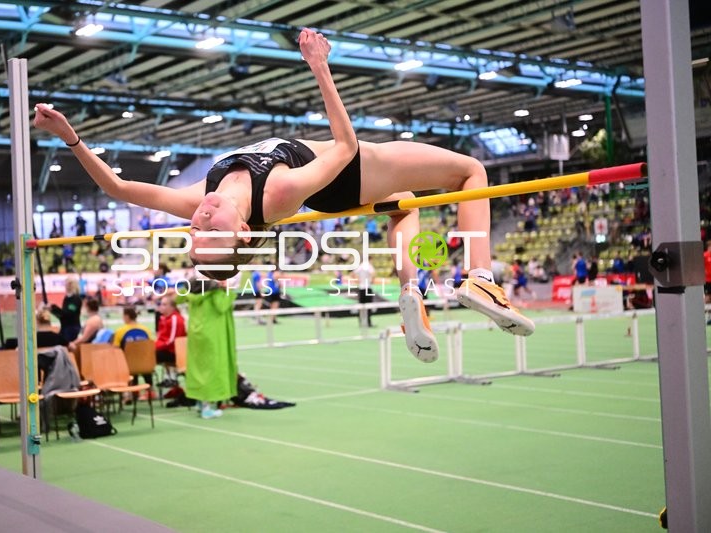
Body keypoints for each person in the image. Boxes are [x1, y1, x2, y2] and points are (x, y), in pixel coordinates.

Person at [32, 28, 534, 364]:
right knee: (471, 170)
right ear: (244, 232)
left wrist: (69, 136)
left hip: (332, 182)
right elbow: (344, 146)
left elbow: (118, 188)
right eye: (216, 231)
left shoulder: (203, 199)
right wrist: (319, 66)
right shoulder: (276, 190)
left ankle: (411, 290)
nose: (203, 218)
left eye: (198, 230)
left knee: (403, 199)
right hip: (346, 168)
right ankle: (482, 278)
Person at [176, 279, 238, 419]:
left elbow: (178, 298)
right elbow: (221, 306)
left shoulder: (191, 286)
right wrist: (228, 290)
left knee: (198, 369)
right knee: (212, 370)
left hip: (196, 334)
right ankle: (207, 406)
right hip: (212, 334)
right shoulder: (215, 290)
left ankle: (200, 402)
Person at [154, 295, 186, 385]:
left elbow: (171, 340)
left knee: (147, 355)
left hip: (174, 351)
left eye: (164, 304)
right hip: (165, 350)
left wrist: (155, 346)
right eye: (161, 304)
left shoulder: (175, 319)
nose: (161, 307)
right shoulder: (163, 318)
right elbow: (161, 338)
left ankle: (170, 378)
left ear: (172, 307)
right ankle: (169, 377)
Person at [51, 276, 82, 341]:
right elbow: (63, 314)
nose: (64, 286)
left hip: (71, 327)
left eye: (66, 284)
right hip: (65, 326)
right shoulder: (67, 298)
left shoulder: (76, 299)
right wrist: (51, 309)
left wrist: (53, 308)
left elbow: (68, 313)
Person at [352, 256, 375, 327]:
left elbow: (353, 274)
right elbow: (373, 273)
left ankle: (361, 322)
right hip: (367, 288)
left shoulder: (360, 266)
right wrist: (371, 280)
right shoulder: (369, 266)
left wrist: (358, 280)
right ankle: (368, 322)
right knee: (368, 307)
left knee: (361, 306)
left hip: (361, 288)